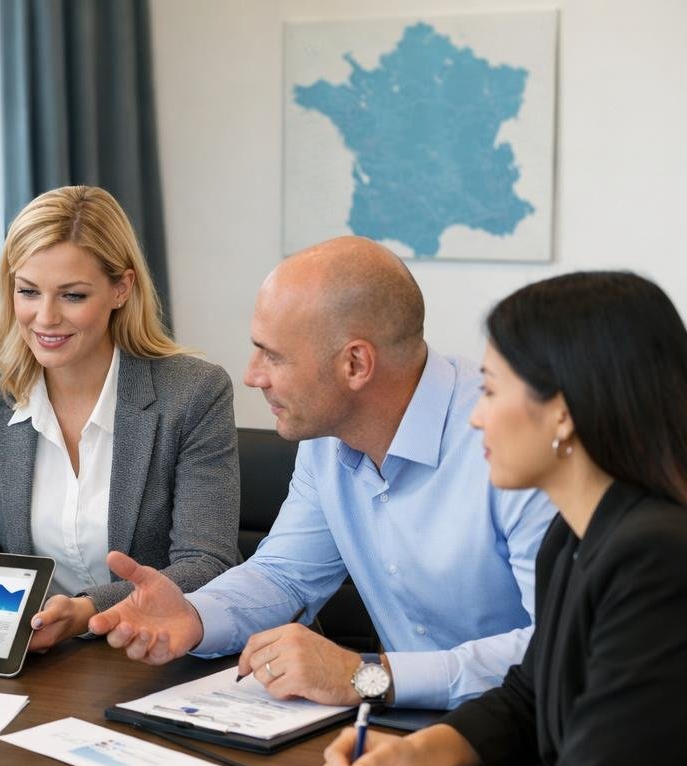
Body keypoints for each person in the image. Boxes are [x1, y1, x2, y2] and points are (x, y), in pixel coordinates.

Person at [322, 271, 687, 766]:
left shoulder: (657, 557)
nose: (476, 420)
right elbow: (530, 691)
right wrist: (420, 752)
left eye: (490, 391)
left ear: (564, 412)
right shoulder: (573, 536)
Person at [90, 236, 554, 709]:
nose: (252, 375)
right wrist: (194, 616)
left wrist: (368, 675)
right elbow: (286, 576)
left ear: (355, 363)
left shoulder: (510, 438)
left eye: (273, 355)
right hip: (403, 731)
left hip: (534, 734)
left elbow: (555, 648)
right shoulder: (327, 437)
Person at [0, 185, 238, 650]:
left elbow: (205, 563)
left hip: (151, 651)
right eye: (28, 291)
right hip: (33, 649)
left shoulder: (193, 393)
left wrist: (86, 610)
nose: (45, 318)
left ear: (121, 288)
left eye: (72, 295)